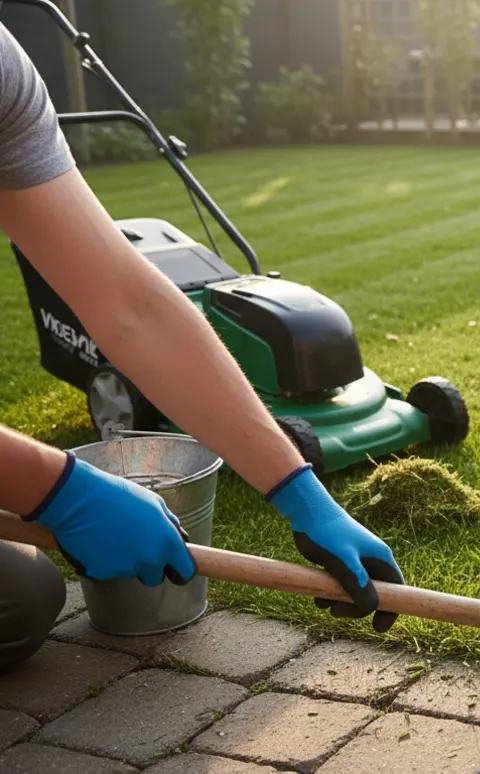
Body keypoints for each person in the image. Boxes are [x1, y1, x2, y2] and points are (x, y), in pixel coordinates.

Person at [0, 21, 404, 671]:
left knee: (17, 598)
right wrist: (60, 490)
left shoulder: (3, 73)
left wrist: (301, 493)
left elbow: (129, 305)